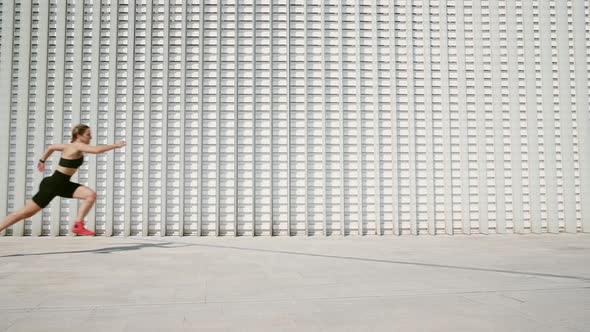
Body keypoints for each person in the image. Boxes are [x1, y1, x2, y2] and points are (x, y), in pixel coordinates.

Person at [0, 124, 126, 236]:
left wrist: (42, 160)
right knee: (25, 213)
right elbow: (96, 150)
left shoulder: (68, 146)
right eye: (88, 135)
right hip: (52, 185)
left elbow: (51, 147)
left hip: (63, 184)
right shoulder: (77, 146)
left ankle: (78, 225)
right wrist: (115, 145)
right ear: (79, 135)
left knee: (90, 195)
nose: (90, 137)